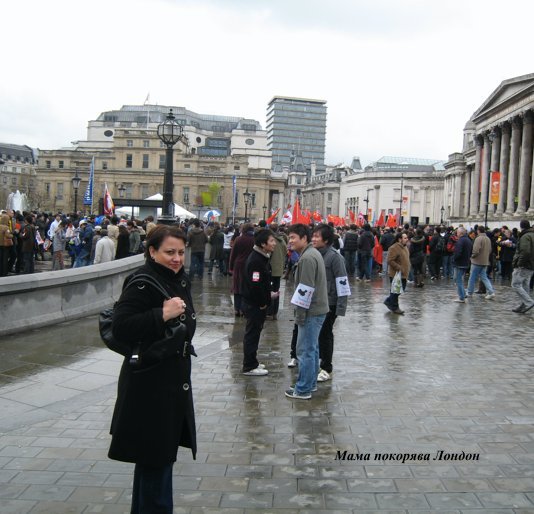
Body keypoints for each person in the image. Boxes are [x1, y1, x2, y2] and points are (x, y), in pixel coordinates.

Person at [108, 225, 196, 514]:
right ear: (152, 251)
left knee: (157, 459)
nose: (177, 258)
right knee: (155, 459)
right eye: (169, 252)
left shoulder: (177, 279)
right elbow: (121, 326)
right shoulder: (142, 282)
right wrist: (162, 313)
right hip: (150, 386)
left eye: (181, 252)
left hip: (170, 382)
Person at [285, 224, 328, 400]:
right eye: (289, 238)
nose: (290, 241)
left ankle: (303, 390)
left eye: (293, 237)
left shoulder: (307, 258)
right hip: (317, 309)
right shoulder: (311, 254)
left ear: (304, 238)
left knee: (304, 351)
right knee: (312, 349)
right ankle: (309, 384)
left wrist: (300, 316)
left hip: (311, 311)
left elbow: (305, 289)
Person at [312, 224, 349, 383]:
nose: (313, 239)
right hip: (316, 302)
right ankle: (319, 363)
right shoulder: (313, 255)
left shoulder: (335, 257)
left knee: (325, 334)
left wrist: (341, 307)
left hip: (331, 302)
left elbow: (342, 282)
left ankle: (327, 367)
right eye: (313, 236)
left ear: (326, 240)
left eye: (317, 236)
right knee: (317, 334)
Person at [240, 228, 277, 376]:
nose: (274, 243)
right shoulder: (256, 260)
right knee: (252, 334)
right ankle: (249, 365)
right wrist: (263, 302)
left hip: (256, 302)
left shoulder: (261, 257)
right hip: (254, 304)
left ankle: (252, 361)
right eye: (272, 241)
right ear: (263, 244)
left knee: (255, 333)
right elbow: (255, 284)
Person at [228, 223, 255, 316]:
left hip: (239, 265)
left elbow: (233, 254)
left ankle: (237, 309)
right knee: (246, 287)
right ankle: (244, 308)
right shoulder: (255, 239)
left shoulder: (238, 239)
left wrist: (231, 267)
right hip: (250, 265)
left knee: (237, 287)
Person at [384, 232, 410, 315]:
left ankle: (388, 301)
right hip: (396, 274)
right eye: (405, 238)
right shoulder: (394, 248)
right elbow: (390, 260)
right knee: (396, 291)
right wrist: (399, 268)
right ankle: (395, 307)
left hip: (404, 274)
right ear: (399, 239)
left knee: (399, 290)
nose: (407, 239)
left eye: (407, 238)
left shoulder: (405, 247)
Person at [511, 219, 534, 313]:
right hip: (531, 265)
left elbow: (525, 251)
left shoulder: (525, 236)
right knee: (525, 285)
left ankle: (528, 302)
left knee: (515, 284)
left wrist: (520, 263)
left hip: (524, 265)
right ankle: (524, 305)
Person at [466, 225, 496, 300]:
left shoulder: (478, 238)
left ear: (478, 231)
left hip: (477, 261)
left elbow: (476, 250)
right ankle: (491, 292)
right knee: (484, 277)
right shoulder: (488, 239)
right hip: (485, 261)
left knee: (472, 277)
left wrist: (472, 256)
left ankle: (469, 292)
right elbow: (490, 250)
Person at [266, 223, 288, 320]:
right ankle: (275, 312)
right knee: (276, 290)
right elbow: (286, 252)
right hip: (278, 269)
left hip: (270, 268)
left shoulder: (271, 241)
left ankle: (269, 312)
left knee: (269, 290)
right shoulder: (282, 240)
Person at [452, 227, 473, 303]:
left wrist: (454, 259)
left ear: (461, 233)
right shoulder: (468, 240)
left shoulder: (461, 241)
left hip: (460, 263)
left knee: (458, 280)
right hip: (465, 262)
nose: (456, 234)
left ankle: (461, 297)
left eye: (457, 232)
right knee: (459, 279)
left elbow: (458, 252)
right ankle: (463, 294)